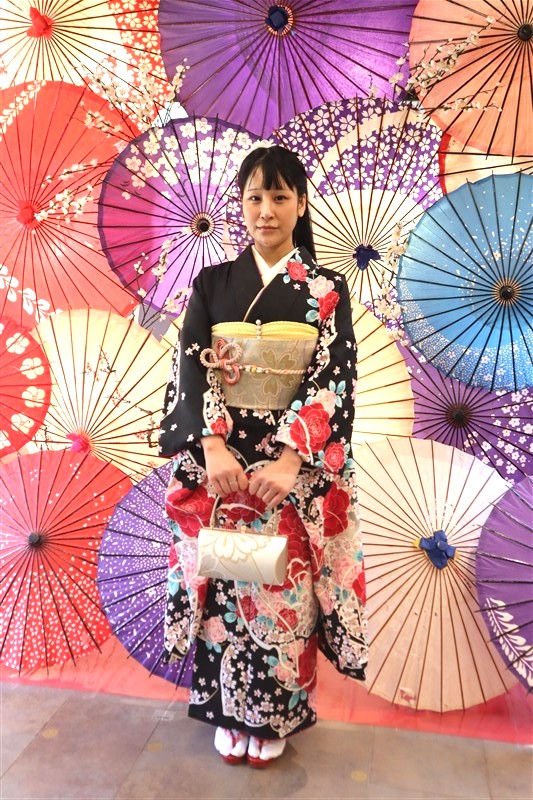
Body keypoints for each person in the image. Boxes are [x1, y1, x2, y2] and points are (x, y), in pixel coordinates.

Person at [158, 145, 368, 767]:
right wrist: (212, 445)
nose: (266, 210)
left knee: (282, 589)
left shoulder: (327, 290)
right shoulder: (212, 284)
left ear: (300, 204)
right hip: (222, 470)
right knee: (224, 586)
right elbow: (189, 365)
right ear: (242, 205)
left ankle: (273, 714)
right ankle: (225, 709)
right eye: (255, 197)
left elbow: (334, 377)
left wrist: (290, 460)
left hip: (286, 475)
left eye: (279, 197)